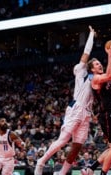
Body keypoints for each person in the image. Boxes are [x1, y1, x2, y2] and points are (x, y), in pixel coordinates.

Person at [34, 25, 96, 175]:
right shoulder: (81, 72)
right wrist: (91, 36)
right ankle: (41, 162)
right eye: (95, 63)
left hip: (87, 113)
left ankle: (62, 173)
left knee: (77, 147)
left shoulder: (97, 80)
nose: (98, 64)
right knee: (63, 140)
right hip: (76, 108)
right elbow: (86, 53)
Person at [81, 39, 111, 175]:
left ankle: (91, 168)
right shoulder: (95, 79)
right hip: (107, 115)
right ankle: (102, 173)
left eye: (100, 63)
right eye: (96, 64)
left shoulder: (105, 76)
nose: (99, 65)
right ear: (92, 69)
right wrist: (110, 55)